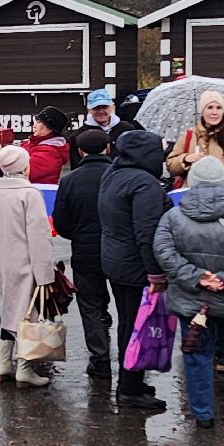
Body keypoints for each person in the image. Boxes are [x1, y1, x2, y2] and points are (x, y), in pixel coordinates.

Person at [153, 156, 224, 429]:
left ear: (192, 181)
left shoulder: (173, 217)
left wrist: (197, 277)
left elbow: (164, 252)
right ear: (222, 182)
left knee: (197, 356)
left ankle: (203, 414)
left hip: (192, 302)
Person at [97, 130, 172, 412]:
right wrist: (156, 273)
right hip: (135, 266)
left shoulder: (113, 174)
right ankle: (130, 388)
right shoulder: (144, 184)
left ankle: (132, 382)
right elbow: (146, 232)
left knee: (128, 322)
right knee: (135, 326)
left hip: (115, 260)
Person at [0, 144, 57, 389]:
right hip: (29, 262)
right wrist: (45, 274)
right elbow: (39, 236)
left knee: (10, 309)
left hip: (5, 260)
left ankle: (3, 363)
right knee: (29, 315)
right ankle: (25, 368)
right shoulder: (30, 194)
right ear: (24, 167)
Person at [51, 128, 115, 379]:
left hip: (84, 252)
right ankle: (131, 360)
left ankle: (100, 359)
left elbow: (61, 222)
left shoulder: (70, 181)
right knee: (125, 303)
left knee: (90, 305)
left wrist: (78, 235)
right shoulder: (119, 176)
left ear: (80, 151)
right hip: (119, 250)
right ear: (107, 148)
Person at [166, 90, 224, 178]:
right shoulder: (189, 136)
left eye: (219, 108)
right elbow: (171, 166)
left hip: (222, 186)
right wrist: (186, 159)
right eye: (210, 107)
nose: (214, 112)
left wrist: (222, 178)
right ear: (202, 111)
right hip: (192, 186)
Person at [0, 106, 69, 186]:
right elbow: (6, 169)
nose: (34, 126)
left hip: (34, 195)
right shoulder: (31, 143)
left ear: (50, 129)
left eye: (38, 122)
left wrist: (0, 154)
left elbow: (20, 173)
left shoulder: (50, 152)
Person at [71, 89, 120, 169]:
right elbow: (76, 165)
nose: (101, 111)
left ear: (111, 107)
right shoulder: (78, 136)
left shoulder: (126, 129)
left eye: (104, 107)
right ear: (88, 110)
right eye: (96, 108)